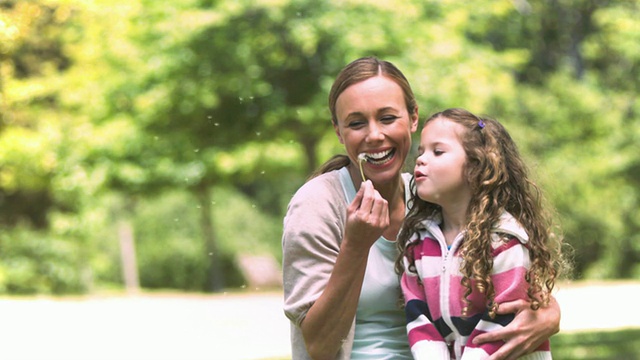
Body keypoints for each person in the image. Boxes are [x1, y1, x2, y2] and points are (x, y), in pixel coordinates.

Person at [282, 57, 561, 360]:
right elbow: (319, 347)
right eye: (357, 123)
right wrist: (356, 245)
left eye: (388, 118)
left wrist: (549, 313)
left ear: (413, 117)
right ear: (338, 131)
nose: (374, 135)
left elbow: (503, 279)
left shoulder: (432, 198)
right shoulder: (317, 204)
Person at [397, 108, 569, 359]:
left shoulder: (504, 240)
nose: (421, 159)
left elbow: (502, 321)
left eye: (438, 151)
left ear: (475, 167)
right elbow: (418, 316)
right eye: (421, 151)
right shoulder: (418, 243)